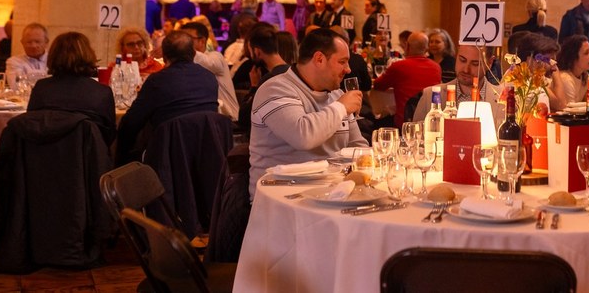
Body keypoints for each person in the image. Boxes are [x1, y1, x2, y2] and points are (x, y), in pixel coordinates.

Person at [248, 28, 368, 198]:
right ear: (319, 59)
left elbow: (357, 145)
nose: (348, 69)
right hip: (281, 197)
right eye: (342, 62)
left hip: (332, 193)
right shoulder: (275, 89)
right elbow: (302, 136)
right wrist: (340, 108)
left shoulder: (336, 95)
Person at [116, 31, 219, 165]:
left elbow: (131, 122)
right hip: (206, 153)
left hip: (167, 155)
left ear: (164, 57)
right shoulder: (209, 78)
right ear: (193, 54)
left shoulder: (157, 81)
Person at [28, 32, 116, 145]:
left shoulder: (41, 88)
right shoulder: (101, 92)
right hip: (88, 159)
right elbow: (108, 136)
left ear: (53, 56)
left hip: (42, 158)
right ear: (88, 54)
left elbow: (31, 127)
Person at [411, 43, 501, 122]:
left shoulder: (503, 100)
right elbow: (416, 136)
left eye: (475, 64)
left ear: (490, 62)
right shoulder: (430, 95)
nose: (466, 70)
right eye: (462, 60)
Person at [372, 31, 441, 127]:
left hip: (405, 123)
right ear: (426, 48)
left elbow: (378, 85)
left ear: (407, 46)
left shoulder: (398, 66)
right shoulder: (436, 67)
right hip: (430, 123)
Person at [181, 22, 239, 121]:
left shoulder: (216, 56)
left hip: (227, 118)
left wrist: (182, 48)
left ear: (202, 41)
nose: (182, 43)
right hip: (204, 118)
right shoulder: (185, 64)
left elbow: (210, 63)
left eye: (187, 39)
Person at [552, 35, 589, 111]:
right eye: (586, 53)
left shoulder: (585, 75)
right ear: (573, 57)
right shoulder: (565, 78)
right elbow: (571, 111)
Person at [6, 23, 49, 89]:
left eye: (37, 42)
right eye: (29, 42)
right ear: (22, 43)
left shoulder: (55, 60)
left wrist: (28, 77)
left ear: (46, 42)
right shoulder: (14, 62)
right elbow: (15, 86)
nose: (33, 46)